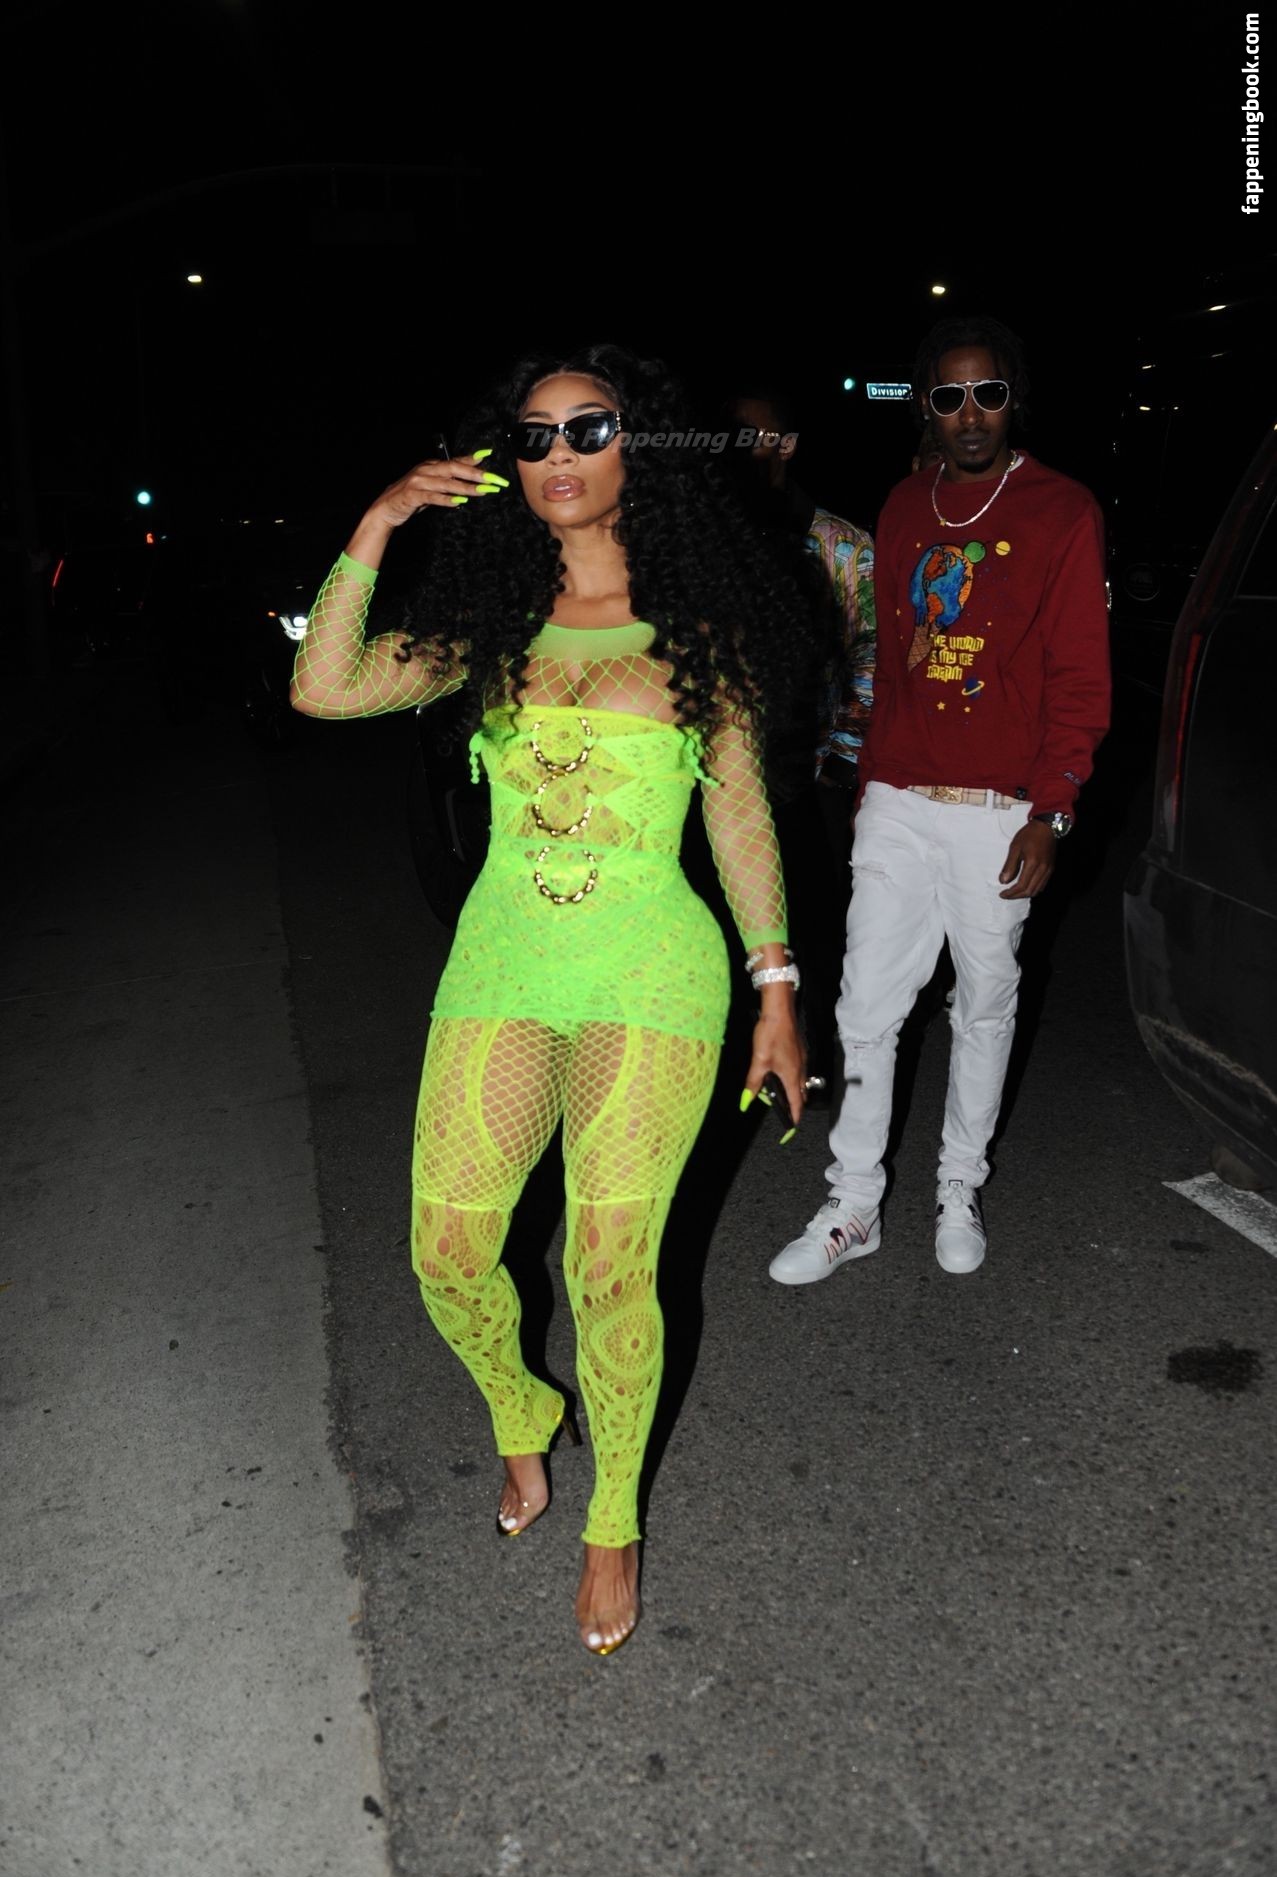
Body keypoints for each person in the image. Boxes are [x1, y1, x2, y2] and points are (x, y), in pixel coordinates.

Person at [290, 345, 809, 1656]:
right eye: (533, 436)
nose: (559, 454)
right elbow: (322, 686)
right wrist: (379, 521)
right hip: (505, 966)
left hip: (653, 973)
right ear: (505, 466)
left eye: (589, 428)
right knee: (447, 1253)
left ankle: (612, 1521)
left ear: (641, 451)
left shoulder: (698, 629)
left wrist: (776, 987)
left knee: (607, 1265)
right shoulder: (489, 623)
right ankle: (523, 1413)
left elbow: (739, 818)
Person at [769, 316, 1110, 1283]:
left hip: (1001, 808)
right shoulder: (902, 507)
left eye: (987, 394)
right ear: (925, 404)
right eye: (950, 396)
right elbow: (889, 660)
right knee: (864, 1003)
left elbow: (1080, 678)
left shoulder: (1060, 509)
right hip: (899, 797)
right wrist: (869, 779)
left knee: (984, 1005)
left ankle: (957, 1187)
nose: (969, 414)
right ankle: (853, 1203)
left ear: (1012, 401)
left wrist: (1051, 810)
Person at [722, 388, 876, 1094]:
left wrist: (841, 760)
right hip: (726, 774)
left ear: (787, 445)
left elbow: (870, 655)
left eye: (759, 435)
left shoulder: (841, 547)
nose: (744, 449)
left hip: (811, 770)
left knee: (817, 923)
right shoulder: (707, 536)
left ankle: (816, 1061)